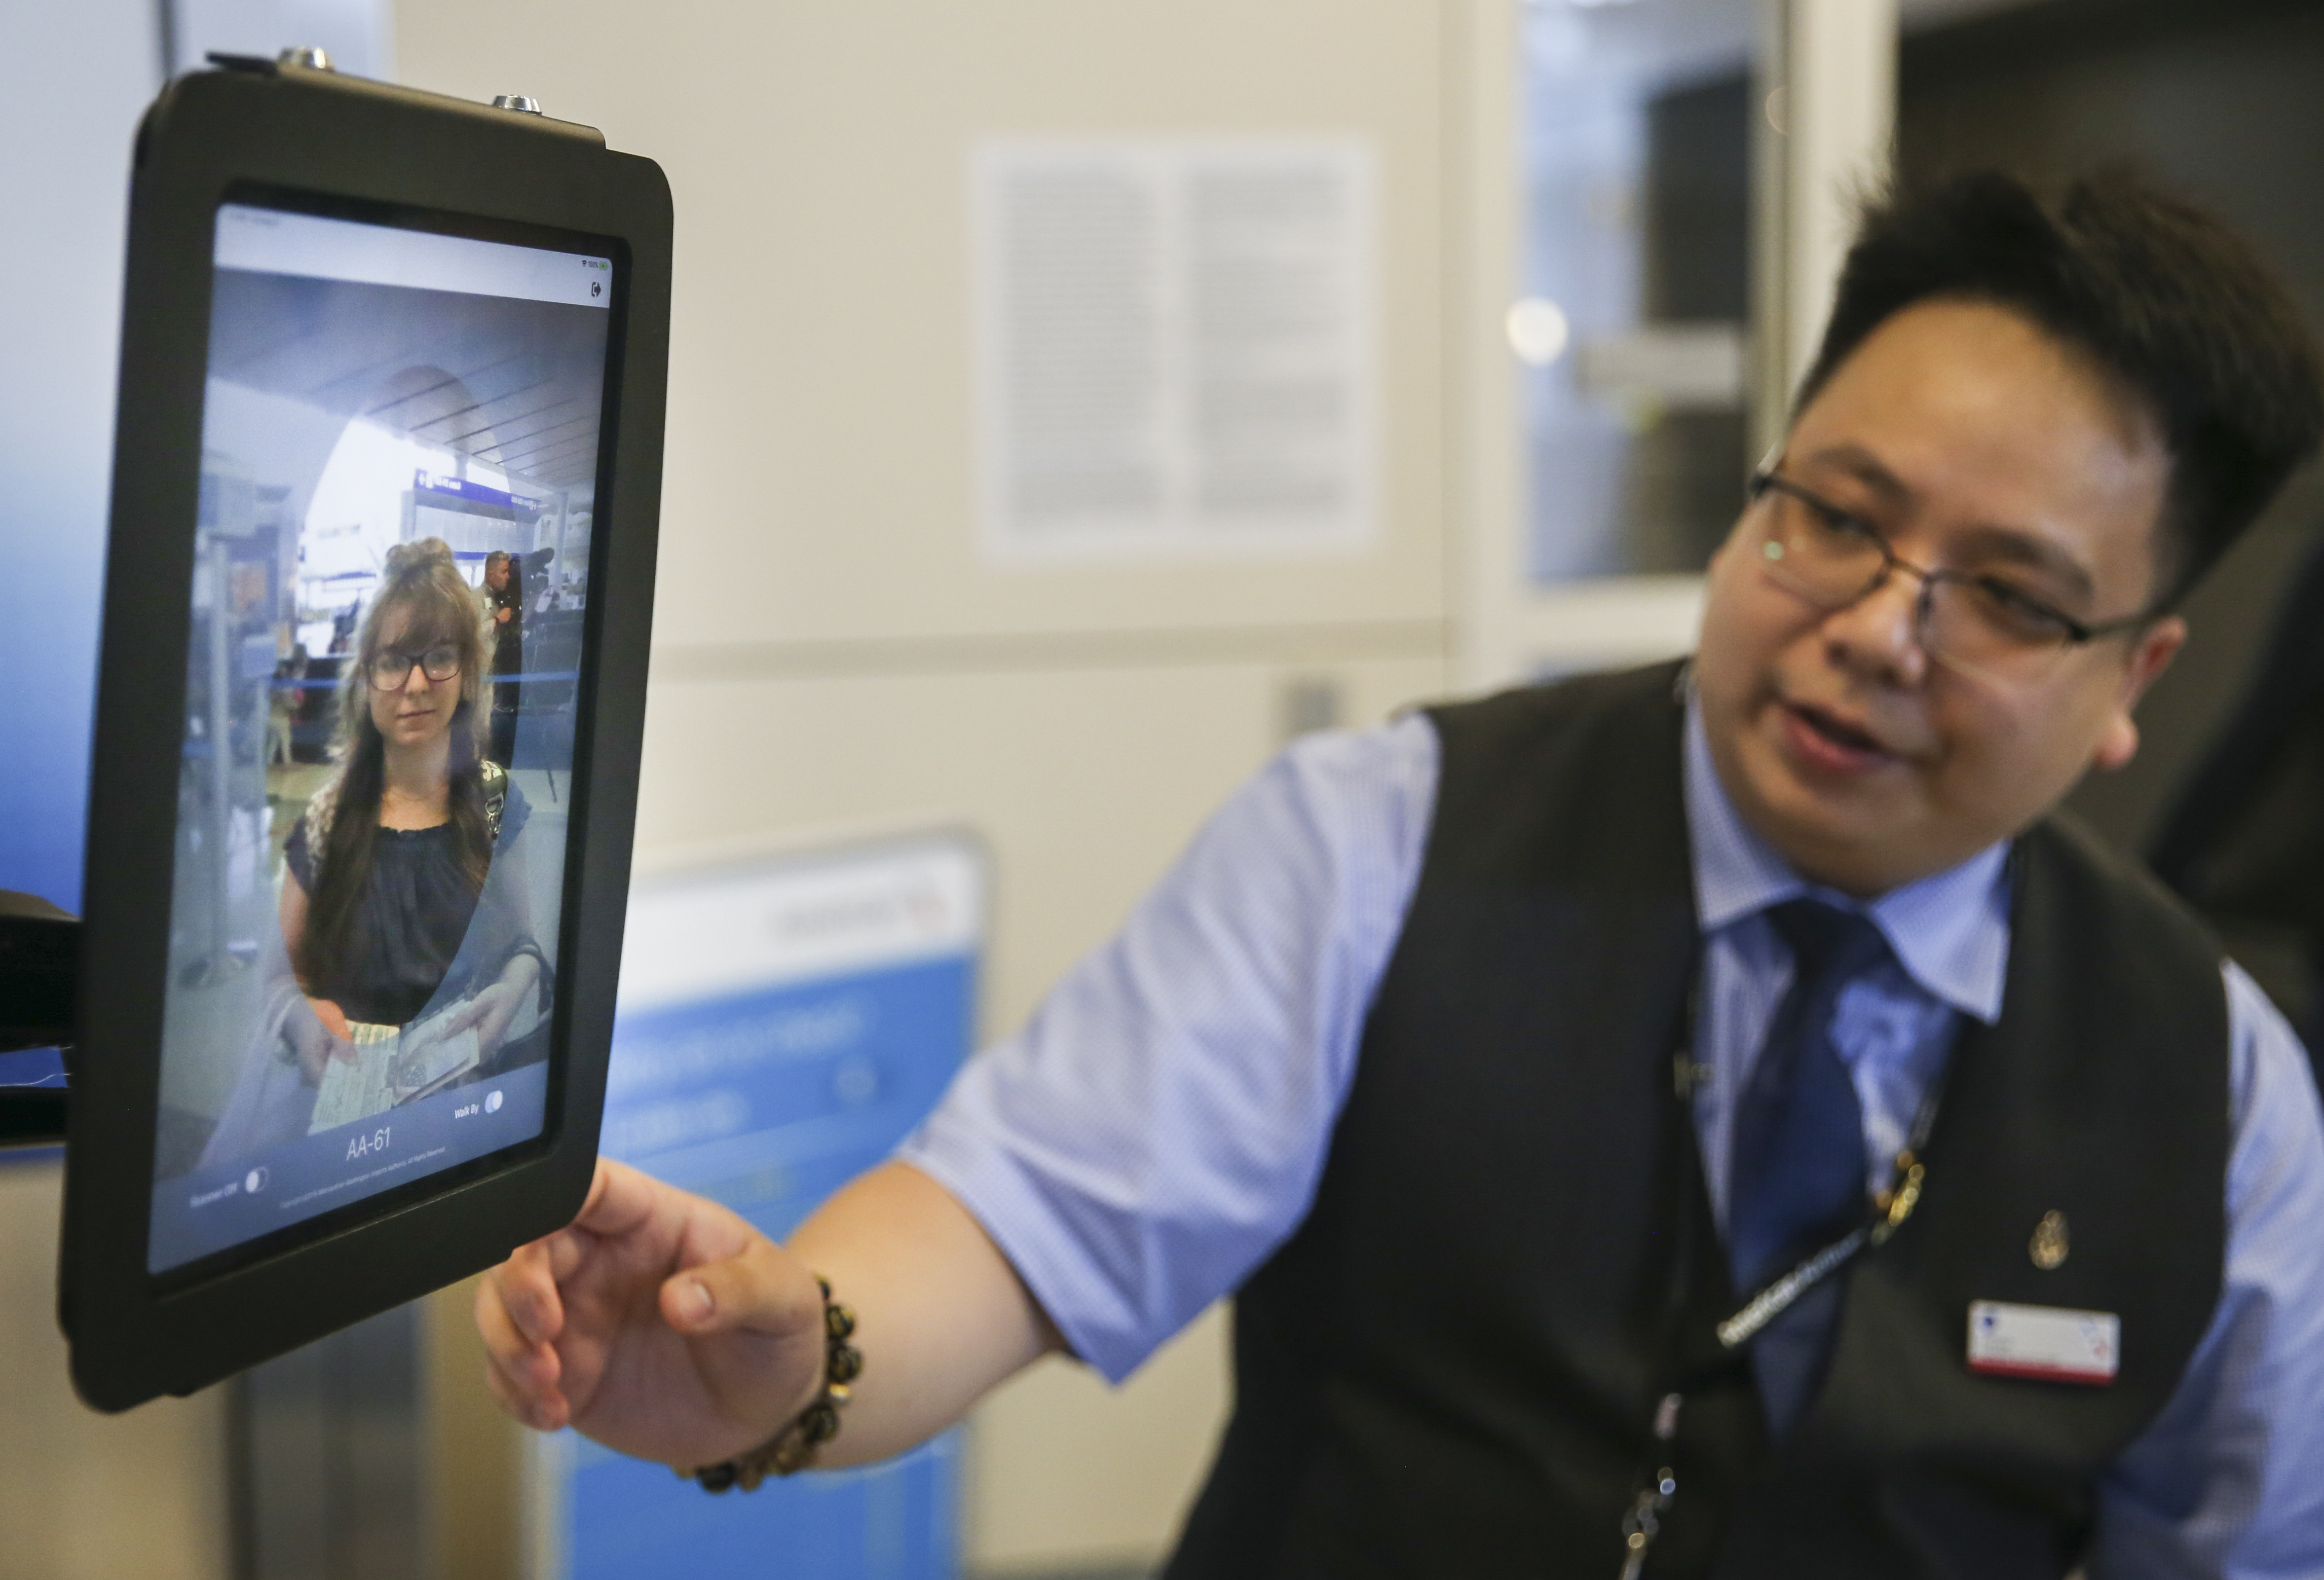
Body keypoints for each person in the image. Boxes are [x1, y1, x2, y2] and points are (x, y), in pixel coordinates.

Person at [477, 173, 2324, 1575]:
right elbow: (1030, 1214)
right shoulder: (1382, 836)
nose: (1874, 630)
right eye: (1835, 515)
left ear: (2129, 681)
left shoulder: (2212, 1088)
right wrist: (792, 1363)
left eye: (2003, 596)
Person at [203, 539, 547, 1160]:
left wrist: (516, 987)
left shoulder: (495, 800)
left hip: (452, 1104)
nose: (415, 684)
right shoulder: (330, 819)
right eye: (393, 661)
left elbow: (519, 942)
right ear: (366, 678)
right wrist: (305, 1023)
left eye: (438, 657)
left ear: (468, 671)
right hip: (336, 1110)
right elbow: (283, 978)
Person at [482, 547, 524, 767]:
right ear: (490, 574)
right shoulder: (476, 598)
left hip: (493, 675)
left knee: (488, 728)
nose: (508, 577)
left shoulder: (500, 599)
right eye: (504, 572)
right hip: (479, 676)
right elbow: (471, 634)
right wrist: (497, 621)